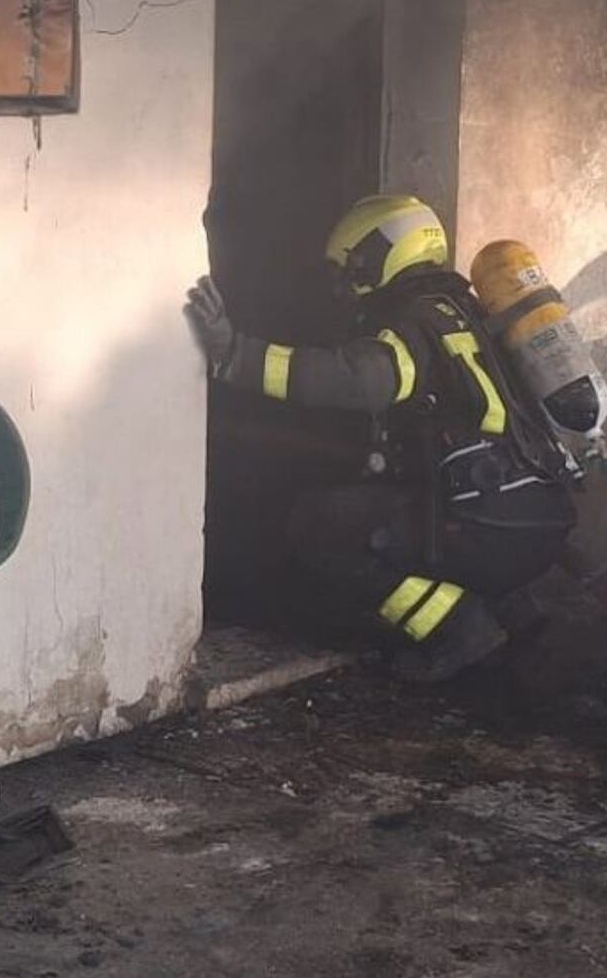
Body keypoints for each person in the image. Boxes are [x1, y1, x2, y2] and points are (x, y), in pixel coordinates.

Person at [187, 194, 578, 683]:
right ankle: (518, 616)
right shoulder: (467, 311)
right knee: (404, 508)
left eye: (351, 265)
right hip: (537, 522)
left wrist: (234, 355)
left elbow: (352, 379)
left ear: (384, 253)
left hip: (486, 526)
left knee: (320, 526)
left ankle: (457, 628)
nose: (344, 281)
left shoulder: (416, 323)